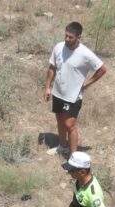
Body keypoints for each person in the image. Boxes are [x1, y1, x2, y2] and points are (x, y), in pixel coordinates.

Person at [44, 22, 107, 156]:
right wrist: (48, 87)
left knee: (70, 125)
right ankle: (62, 146)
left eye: (71, 37)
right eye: (66, 36)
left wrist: (87, 83)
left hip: (73, 96)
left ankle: (74, 158)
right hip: (58, 92)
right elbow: (52, 68)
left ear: (79, 37)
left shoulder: (86, 54)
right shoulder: (59, 47)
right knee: (60, 119)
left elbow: (102, 69)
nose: (67, 39)